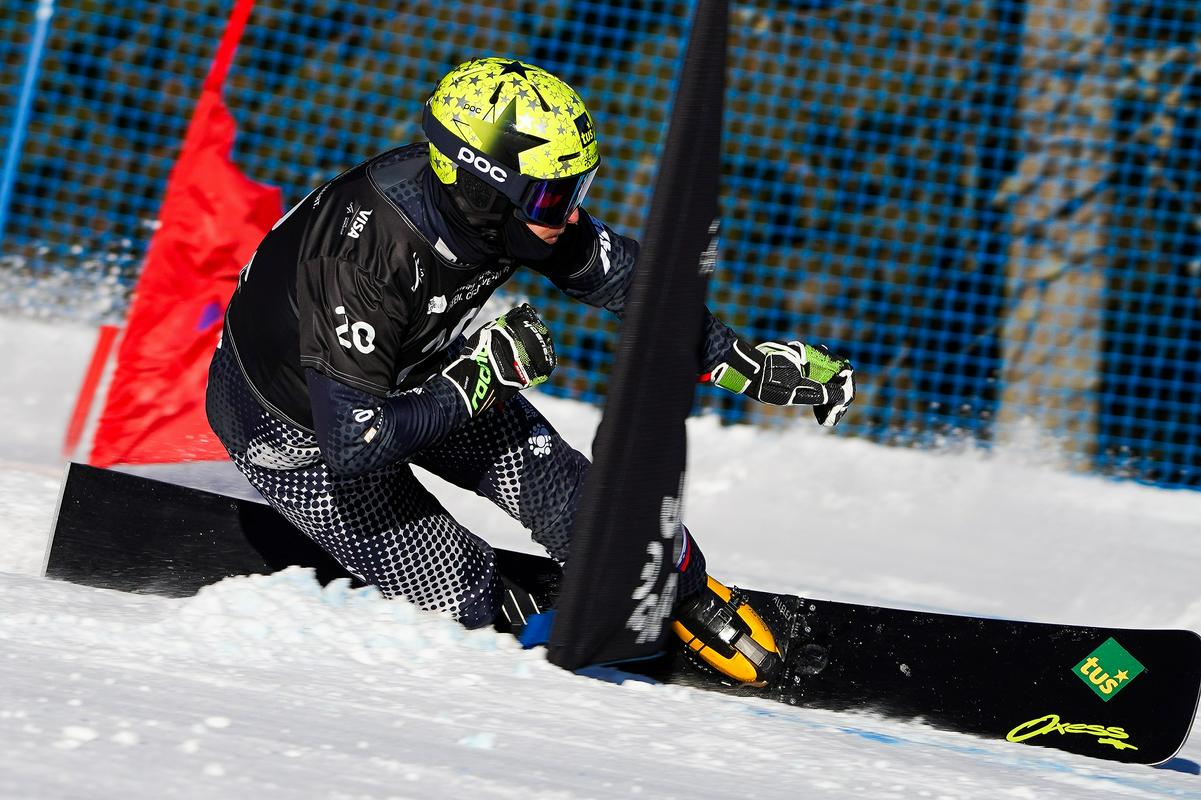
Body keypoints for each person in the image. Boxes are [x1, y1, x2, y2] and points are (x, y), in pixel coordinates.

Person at [205, 56, 854, 685]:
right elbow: (354, 443)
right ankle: (509, 632)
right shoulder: (365, 258)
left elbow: (634, 284)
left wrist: (737, 361)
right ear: (484, 188)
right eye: (552, 197)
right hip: (298, 435)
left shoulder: (509, 218)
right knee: (456, 593)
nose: (569, 213)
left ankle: (680, 588)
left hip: (423, 371)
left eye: (576, 189)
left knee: (571, 496)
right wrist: (480, 378)